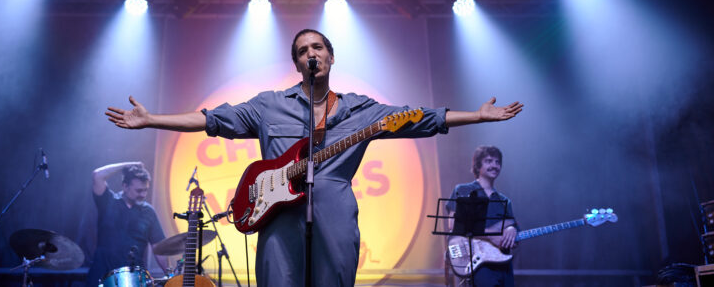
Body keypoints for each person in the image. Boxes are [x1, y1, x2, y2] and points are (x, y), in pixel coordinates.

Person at [106, 29, 523, 287]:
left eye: (319, 46)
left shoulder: (362, 110)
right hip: (278, 216)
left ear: (331, 56)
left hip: (336, 211)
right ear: (297, 63)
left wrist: (477, 114)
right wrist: (151, 120)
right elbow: (212, 120)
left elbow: (422, 119)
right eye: (305, 48)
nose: (313, 52)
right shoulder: (269, 106)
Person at [444, 146, 517, 287]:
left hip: (503, 264)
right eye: (489, 161)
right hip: (476, 262)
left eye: (497, 162)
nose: (494, 165)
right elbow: (453, 225)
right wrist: (490, 234)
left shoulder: (504, 201)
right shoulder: (462, 190)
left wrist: (511, 230)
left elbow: (513, 231)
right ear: (478, 165)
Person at [86, 162, 168, 287]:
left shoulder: (148, 212)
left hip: (135, 278)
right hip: (101, 274)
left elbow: (158, 247)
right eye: (139, 190)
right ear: (125, 186)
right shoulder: (108, 201)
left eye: (145, 190)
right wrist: (130, 164)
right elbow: (97, 175)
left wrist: (169, 273)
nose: (143, 194)